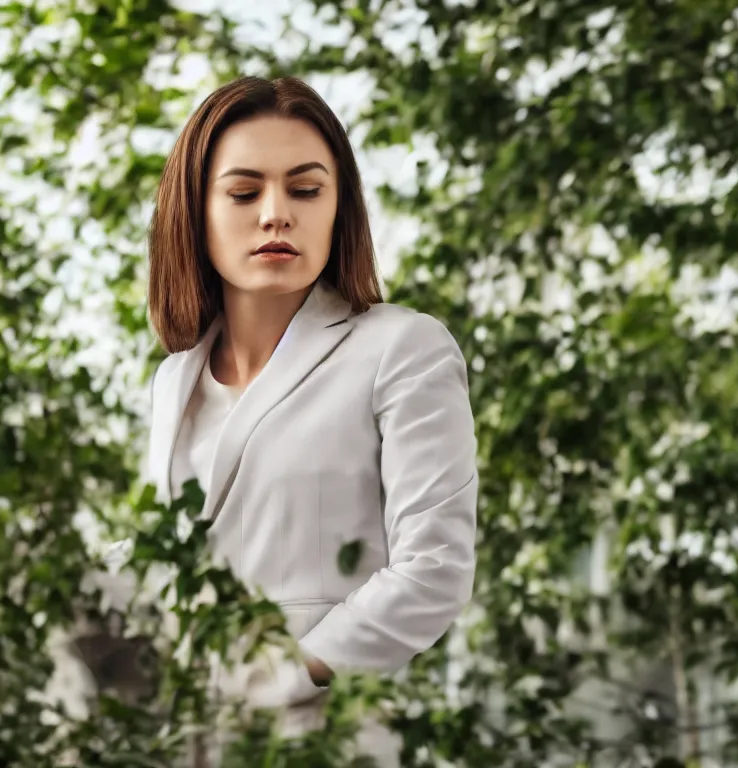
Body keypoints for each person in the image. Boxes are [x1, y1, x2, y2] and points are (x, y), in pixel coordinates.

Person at [144, 75, 478, 757]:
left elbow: (434, 567)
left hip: (327, 736)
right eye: (243, 193)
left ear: (338, 208)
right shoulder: (173, 379)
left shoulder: (400, 348)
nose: (275, 214)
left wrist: (287, 675)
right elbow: (174, 559)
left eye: (305, 190)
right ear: (195, 211)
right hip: (187, 739)